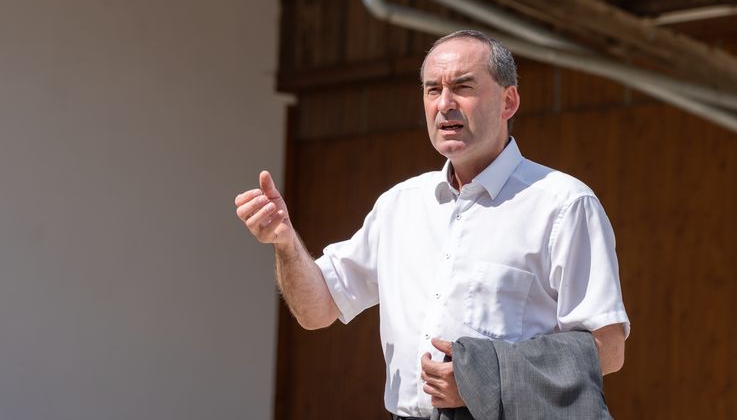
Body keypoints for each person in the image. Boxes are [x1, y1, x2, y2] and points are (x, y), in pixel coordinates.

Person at [235, 29, 628, 419]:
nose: (444, 104)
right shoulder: (399, 204)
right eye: (432, 90)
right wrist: (286, 243)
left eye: (463, 87)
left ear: (508, 102)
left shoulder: (563, 204)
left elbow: (607, 350)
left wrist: (483, 380)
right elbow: (316, 310)